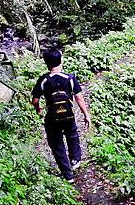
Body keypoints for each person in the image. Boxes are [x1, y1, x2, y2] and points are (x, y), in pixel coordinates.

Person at [31, 48, 91, 183]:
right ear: (61, 61)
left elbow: (35, 100)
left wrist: (38, 108)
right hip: (68, 115)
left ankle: (67, 175)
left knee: (56, 143)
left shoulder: (44, 80)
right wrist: (86, 115)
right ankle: (75, 159)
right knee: (72, 135)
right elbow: (79, 98)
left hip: (52, 117)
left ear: (46, 63)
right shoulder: (70, 78)